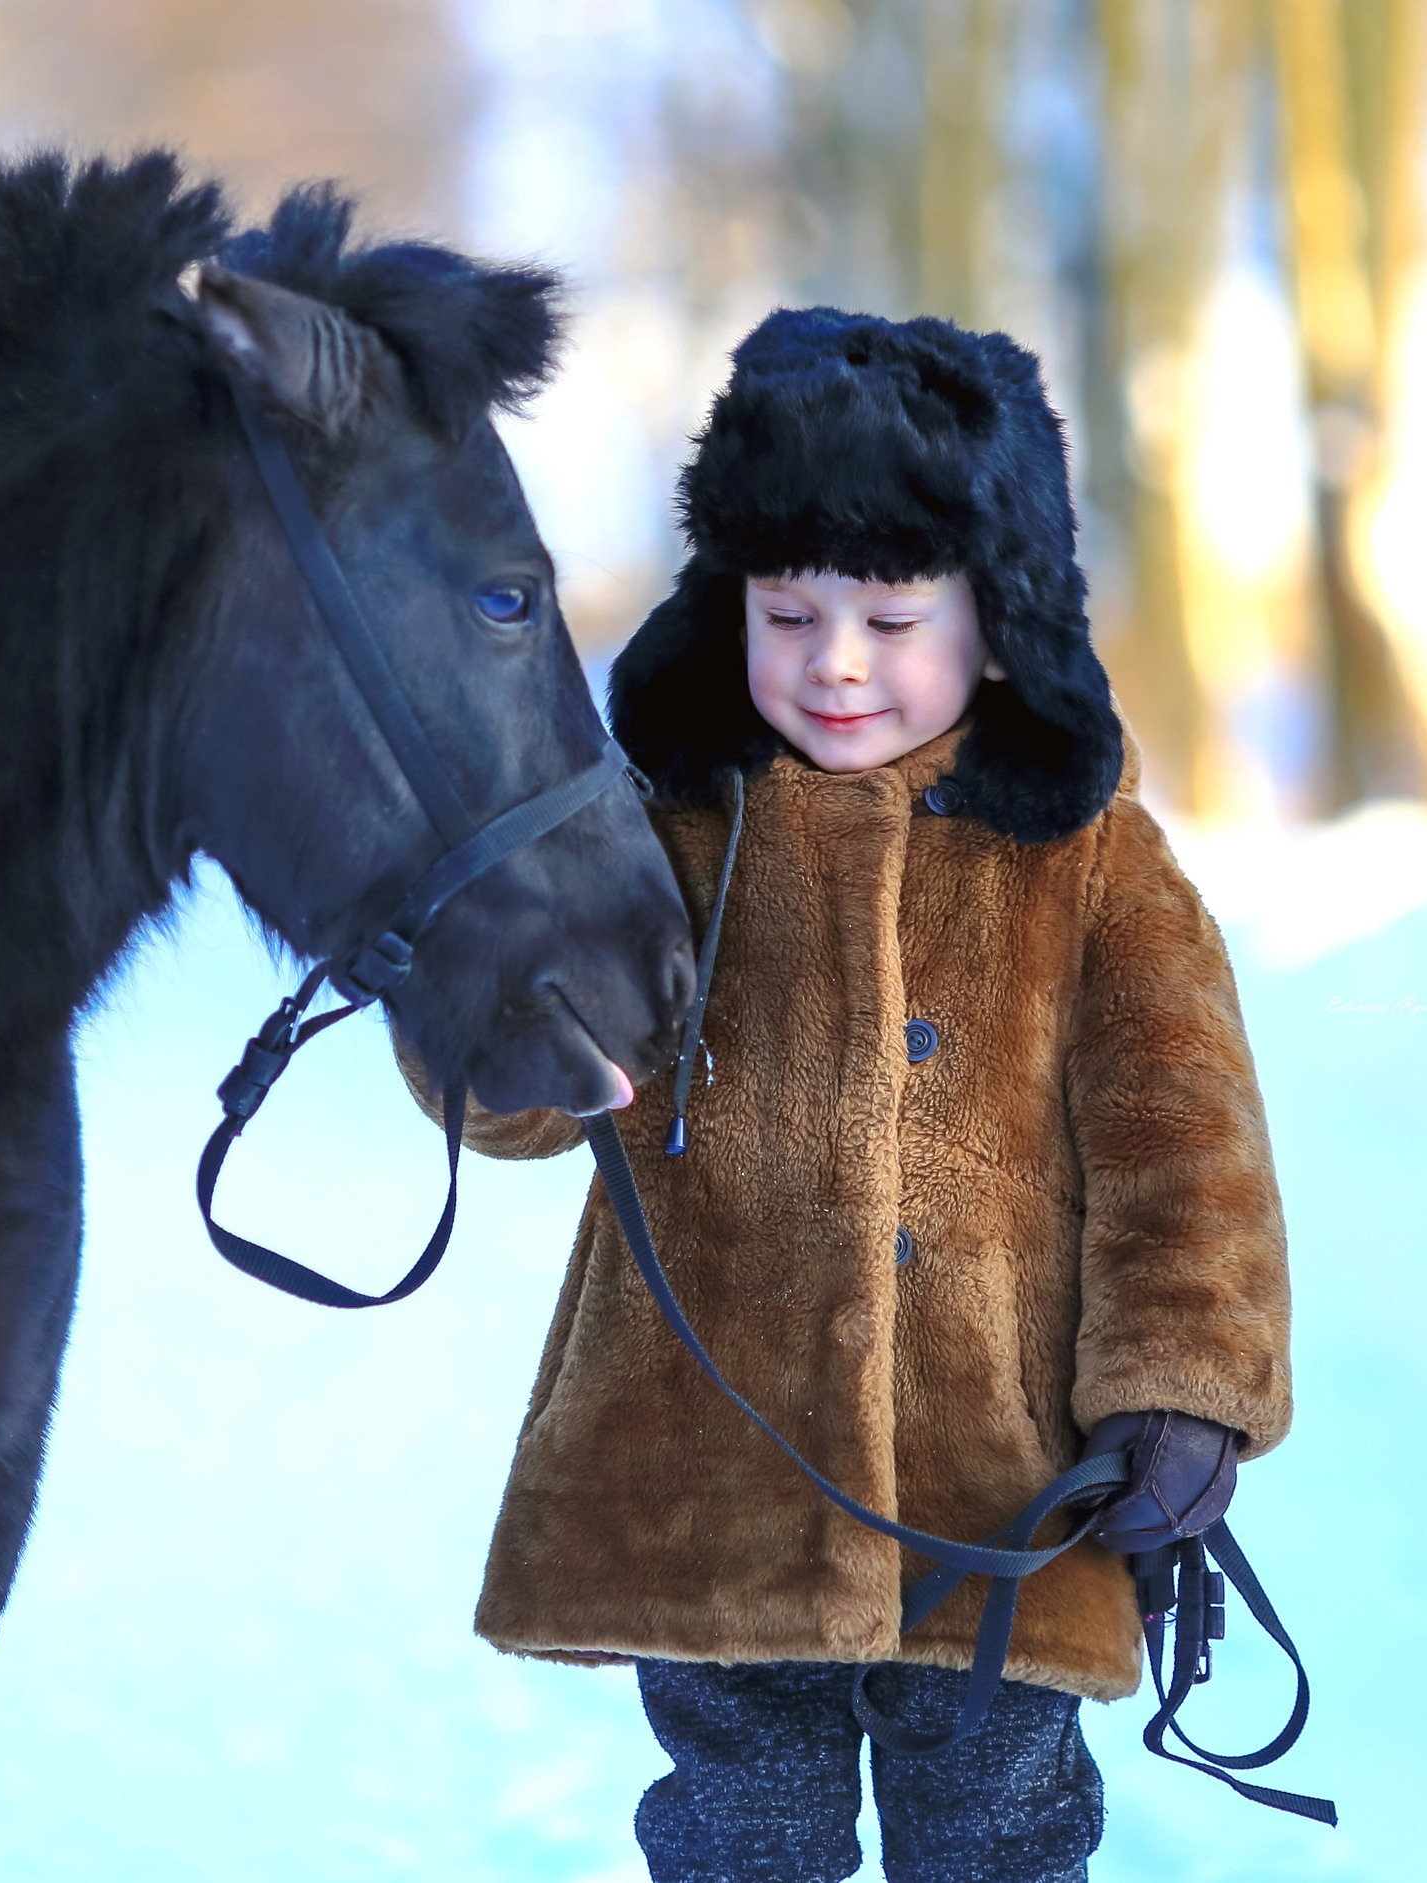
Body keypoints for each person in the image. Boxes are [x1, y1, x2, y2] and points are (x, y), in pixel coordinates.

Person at [394, 307, 1293, 1882]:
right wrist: (481, 986)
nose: (835, 661)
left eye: (889, 615)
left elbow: (1186, 1151)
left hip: (1003, 1502)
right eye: (789, 611)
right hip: (714, 1482)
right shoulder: (660, 838)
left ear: (999, 620)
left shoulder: (1090, 863)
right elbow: (535, 1110)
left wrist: (1181, 1388)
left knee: (1001, 1844)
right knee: (739, 1842)